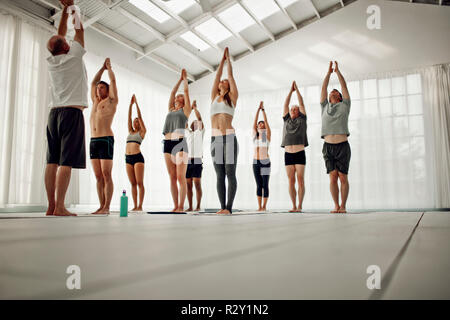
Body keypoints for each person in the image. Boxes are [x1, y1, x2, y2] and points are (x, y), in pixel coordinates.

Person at [45, 0, 87, 216]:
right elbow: (79, 29)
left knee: (52, 160)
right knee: (65, 161)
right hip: (71, 113)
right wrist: (74, 8)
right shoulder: (74, 55)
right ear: (66, 46)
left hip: (54, 114)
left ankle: (51, 205)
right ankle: (60, 206)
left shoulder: (52, 60)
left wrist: (64, 12)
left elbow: (60, 35)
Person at [210, 47, 239, 215]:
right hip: (215, 138)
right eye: (221, 81)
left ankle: (229, 207)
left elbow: (230, 76)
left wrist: (228, 61)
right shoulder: (214, 96)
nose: (222, 81)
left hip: (228, 137)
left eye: (224, 81)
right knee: (219, 174)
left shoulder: (232, 97)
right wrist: (221, 61)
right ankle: (222, 207)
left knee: (230, 172)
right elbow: (216, 76)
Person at [320, 61, 351, 213]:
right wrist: (328, 73)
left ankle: (343, 206)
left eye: (335, 92)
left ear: (339, 97)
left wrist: (337, 72)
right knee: (332, 177)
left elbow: (344, 87)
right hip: (328, 147)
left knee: (343, 177)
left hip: (342, 146)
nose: (332, 92)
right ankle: (336, 205)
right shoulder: (324, 106)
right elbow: (323, 88)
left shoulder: (345, 105)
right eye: (331, 92)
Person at [90, 57, 118, 215]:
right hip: (93, 141)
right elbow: (93, 83)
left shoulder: (111, 101)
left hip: (106, 139)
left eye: (102, 88)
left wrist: (109, 68)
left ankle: (107, 207)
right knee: (98, 175)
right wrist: (101, 69)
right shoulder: (95, 101)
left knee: (106, 174)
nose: (98, 90)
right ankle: (101, 206)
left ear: (107, 91)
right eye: (98, 89)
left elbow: (113, 81)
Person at [163, 69, 192, 212]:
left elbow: (186, 93)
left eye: (180, 97)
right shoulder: (170, 110)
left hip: (180, 143)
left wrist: (185, 79)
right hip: (167, 143)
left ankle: (181, 206)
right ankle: (175, 206)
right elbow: (172, 92)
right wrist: (179, 80)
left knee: (181, 177)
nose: (177, 97)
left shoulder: (185, 111)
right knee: (172, 177)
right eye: (177, 96)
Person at [282, 81, 308, 213]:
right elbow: (285, 104)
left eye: (295, 109)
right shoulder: (286, 119)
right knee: (291, 180)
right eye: (292, 109)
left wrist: (296, 90)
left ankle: (300, 205)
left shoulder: (302, 119)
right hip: (288, 154)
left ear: (299, 112)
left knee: (300, 180)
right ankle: (293, 205)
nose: (292, 110)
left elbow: (301, 103)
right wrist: (289, 92)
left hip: (299, 153)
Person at [126, 94, 147, 211]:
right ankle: (135, 206)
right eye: (135, 121)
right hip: (127, 158)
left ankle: (140, 205)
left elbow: (140, 116)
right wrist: (130, 105)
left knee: (139, 182)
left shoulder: (142, 132)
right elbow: (128, 118)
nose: (135, 123)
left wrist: (137, 104)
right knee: (133, 183)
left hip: (138, 158)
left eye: (137, 121)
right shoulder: (130, 131)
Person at [185, 101, 205, 212]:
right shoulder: (188, 132)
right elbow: (185, 122)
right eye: (194, 122)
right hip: (187, 161)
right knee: (188, 185)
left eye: (197, 123)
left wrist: (195, 109)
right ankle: (190, 206)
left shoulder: (200, 132)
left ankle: (198, 206)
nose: (196, 123)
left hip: (197, 161)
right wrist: (189, 111)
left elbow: (200, 118)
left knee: (197, 183)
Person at [252, 101, 271, 212]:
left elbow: (267, 121)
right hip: (255, 161)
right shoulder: (255, 137)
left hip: (265, 161)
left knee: (265, 184)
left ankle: (264, 206)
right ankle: (259, 207)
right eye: (259, 124)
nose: (260, 124)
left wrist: (263, 110)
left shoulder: (266, 136)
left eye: (262, 123)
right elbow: (254, 122)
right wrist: (257, 110)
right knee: (259, 184)